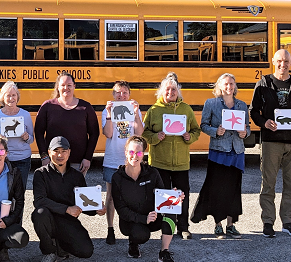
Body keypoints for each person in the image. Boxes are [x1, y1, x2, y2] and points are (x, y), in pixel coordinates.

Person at [250, 49, 291, 238]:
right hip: (271, 141)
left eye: (286, 61)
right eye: (280, 61)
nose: (283, 64)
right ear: (273, 62)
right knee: (268, 183)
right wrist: (263, 123)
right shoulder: (263, 83)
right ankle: (268, 222)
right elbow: (254, 111)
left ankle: (288, 221)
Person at [32, 136, 106, 262]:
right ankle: (49, 251)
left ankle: (60, 245)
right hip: (48, 218)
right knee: (39, 213)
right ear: (49, 152)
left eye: (64, 151)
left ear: (69, 152)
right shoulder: (41, 174)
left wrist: (97, 209)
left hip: (68, 221)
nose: (60, 155)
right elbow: (39, 201)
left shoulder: (76, 176)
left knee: (86, 251)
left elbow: (84, 204)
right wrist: (66, 209)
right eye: (56, 151)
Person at [191, 73, 250, 239]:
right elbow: (203, 125)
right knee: (217, 189)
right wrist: (215, 131)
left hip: (237, 152)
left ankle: (230, 225)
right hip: (218, 152)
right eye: (225, 84)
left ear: (235, 86)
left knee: (234, 189)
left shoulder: (242, 105)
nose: (229, 87)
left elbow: (248, 128)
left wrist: (245, 133)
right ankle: (218, 224)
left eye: (232, 83)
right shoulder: (211, 104)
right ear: (219, 86)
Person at [142, 72, 200, 239]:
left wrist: (190, 137)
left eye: (173, 89)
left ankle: (183, 227)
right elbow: (144, 133)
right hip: (160, 162)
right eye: (167, 89)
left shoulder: (186, 109)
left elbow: (196, 130)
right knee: (165, 197)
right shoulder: (154, 110)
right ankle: (168, 228)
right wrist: (155, 137)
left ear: (178, 91)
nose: (170, 92)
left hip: (181, 162)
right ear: (161, 91)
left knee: (183, 195)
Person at [112, 135, 180, 262]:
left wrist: (174, 196)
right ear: (126, 152)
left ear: (143, 154)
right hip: (131, 221)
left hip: (152, 217)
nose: (134, 156)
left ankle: (164, 252)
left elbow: (163, 195)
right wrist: (144, 219)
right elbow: (121, 209)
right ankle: (133, 242)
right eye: (131, 152)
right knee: (141, 235)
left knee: (172, 208)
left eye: (138, 152)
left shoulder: (152, 173)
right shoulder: (117, 177)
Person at [101, 80, 144, 245]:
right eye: (118, 92)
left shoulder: (134, 111)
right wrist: (110, 113)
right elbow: (108, 133)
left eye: (125, 92)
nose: (121, 95)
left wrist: (136, 113)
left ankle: (132, 228)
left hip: (130, 161)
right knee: (111, 197)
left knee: (132, 196)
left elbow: (140, 133)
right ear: (113, 95)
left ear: (129, 94)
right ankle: (110, 229)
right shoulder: (108, 111)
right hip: (112, 159)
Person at [34, 72, 100, 175]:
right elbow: (38, 132)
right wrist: (44, 157)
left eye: (69, 85)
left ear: (74, 86)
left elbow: (94, 133)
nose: (66, 88)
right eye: (63, 85)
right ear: (58, 87)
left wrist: (88, 158)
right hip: (53, 161)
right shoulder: (47, 106)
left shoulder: (85, 107)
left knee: (77, 190)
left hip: (78, 163)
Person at [0, 81, 34, 187]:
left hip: (22, 159)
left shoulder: (25, 115)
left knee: (20, 192)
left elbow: (31, 139)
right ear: (3, 97)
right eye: (8, 95)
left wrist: (27, 137)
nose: (11, 98)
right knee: (4, 190)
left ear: (17, 97)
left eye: (14, 95)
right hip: (2, 159)